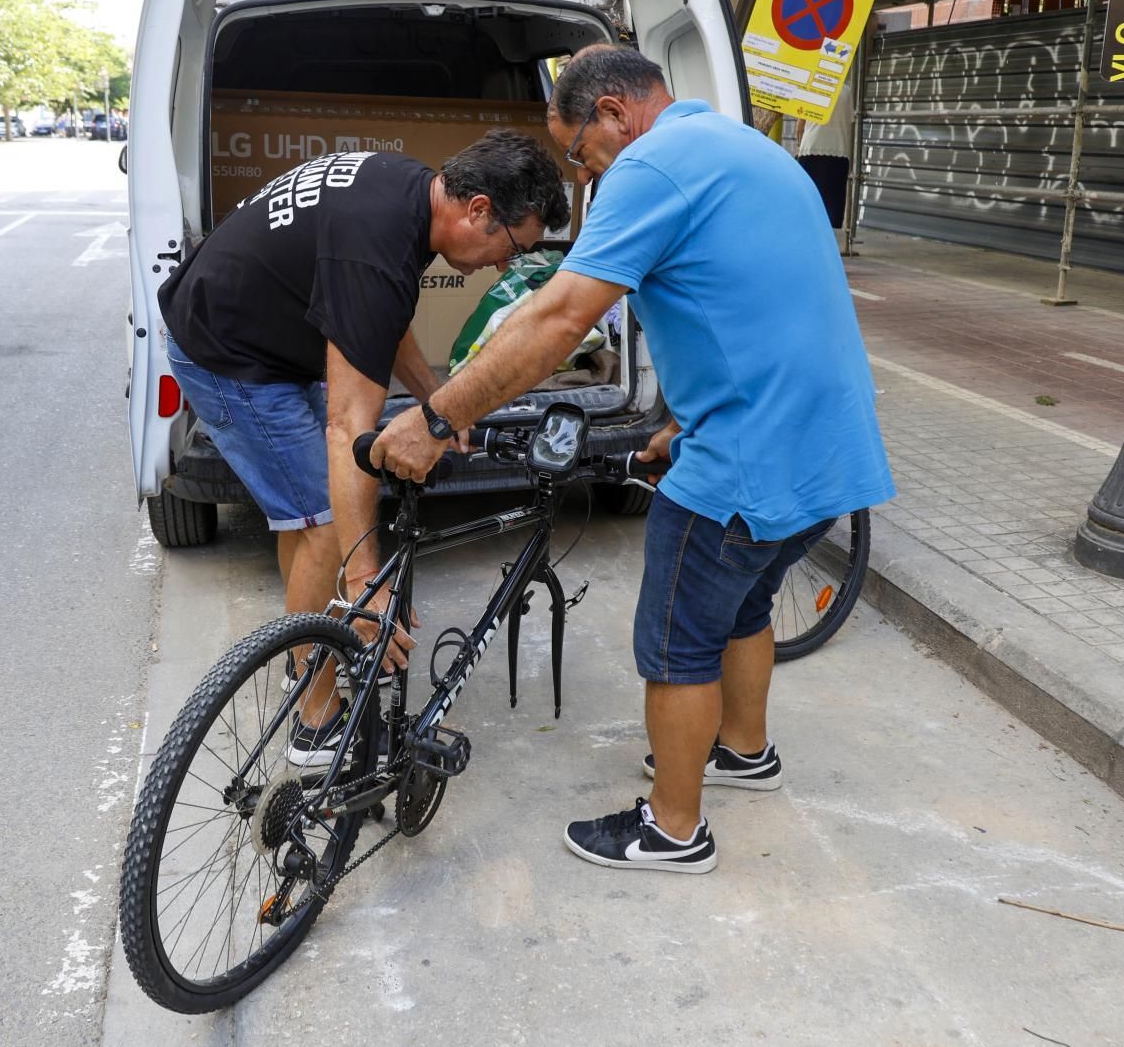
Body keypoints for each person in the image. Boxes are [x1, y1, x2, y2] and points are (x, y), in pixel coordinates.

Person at [372, 44, 894, 874]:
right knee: (745, 606)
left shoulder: (653, 166)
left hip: (744, 463)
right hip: (824, 449)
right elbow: (762, 310)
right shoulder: (750, 150)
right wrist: (685, 425)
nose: (583, 176)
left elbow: (558, 321)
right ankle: (744, 753)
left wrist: (436, 417)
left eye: (578, 153)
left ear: (613, 114)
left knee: (679, 641)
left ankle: (674, 830)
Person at [158, 130, 569, 767]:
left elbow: (381, 315)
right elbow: (348, 428)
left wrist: (437, 400)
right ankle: (315, 721)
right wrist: (364, 588)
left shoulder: (408, 194)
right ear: (478, 209)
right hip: (228, 354)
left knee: (305, 512)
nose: (500, 266)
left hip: (262, 332)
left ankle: (305, 655)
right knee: (327, 521)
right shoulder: (378, 243)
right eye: (510, 248)